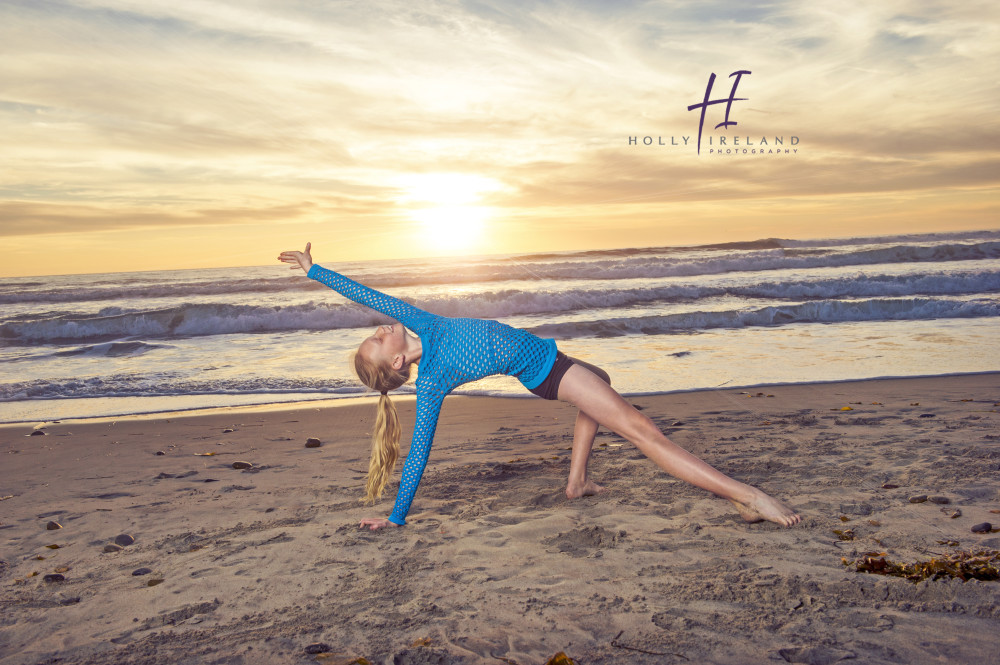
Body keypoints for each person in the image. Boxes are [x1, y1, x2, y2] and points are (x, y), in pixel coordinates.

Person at [278, 243, 801, 531]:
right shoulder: (432, 381)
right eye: (377, 337)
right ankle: (747, 496)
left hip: (554, 363)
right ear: (396, 360)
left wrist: (315, 272)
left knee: (606, 382)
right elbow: (419, 453)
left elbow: (364, 291)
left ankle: (575, 482)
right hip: (550, 374)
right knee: (643, 431)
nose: (379, 324)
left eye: (375, 329)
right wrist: (396, 517)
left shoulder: (423, 323)